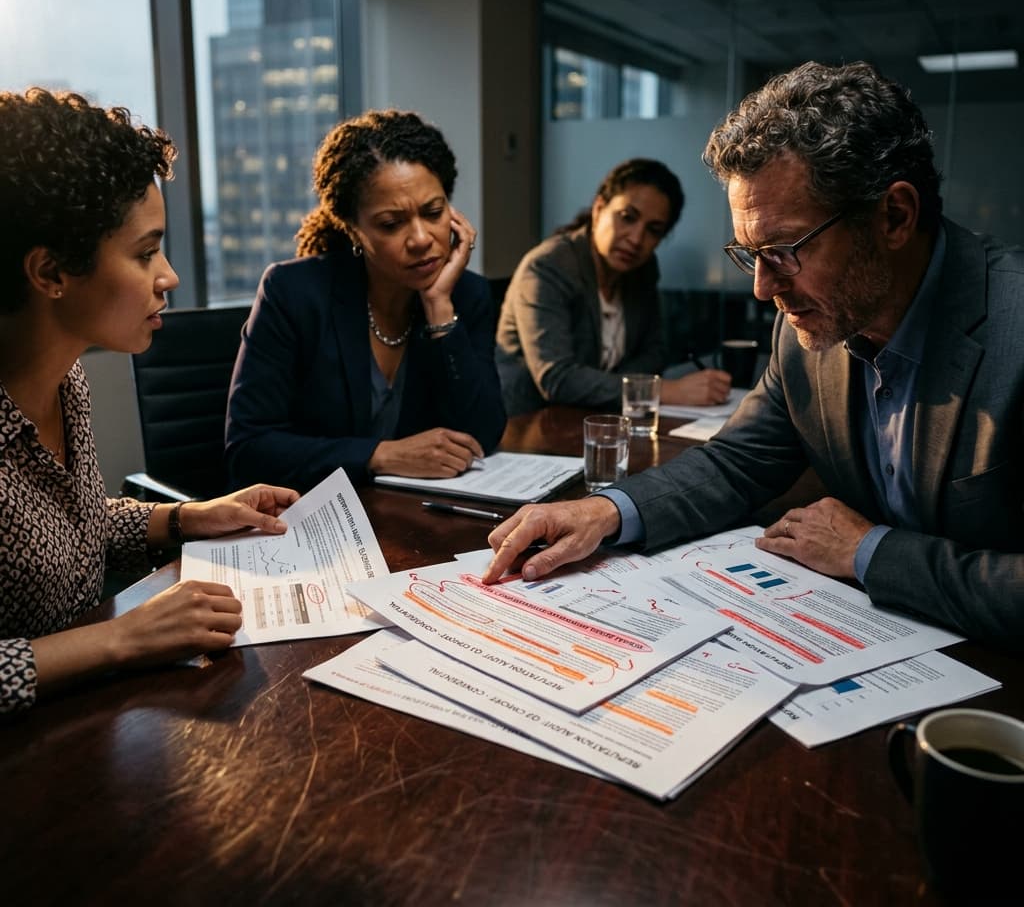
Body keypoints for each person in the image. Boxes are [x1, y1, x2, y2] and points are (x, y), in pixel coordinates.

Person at [482, 60, 1024, 648]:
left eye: (784, 250)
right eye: (750, 254)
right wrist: (606, 513)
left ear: (894, 216)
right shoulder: (808, 324)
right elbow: (736, 463)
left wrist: (870, 551)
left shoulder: (1011, 324)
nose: (763, 290)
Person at [0, 88, 300, 715]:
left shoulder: (65, 378)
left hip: (85, 726)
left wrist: (190, 517)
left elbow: (64, 533)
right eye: (144, 253)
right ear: (51, 272)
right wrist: (119, 638)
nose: (169, 276)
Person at [225, 109, 506, 493]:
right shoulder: (293, 292)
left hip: (414, 521)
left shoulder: (466, 295)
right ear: (353, 230)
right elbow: (248, 450)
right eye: (392, 224)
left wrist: (439, 307)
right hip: (313, 521)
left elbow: (482, 435)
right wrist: (382, 455)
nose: (422, 238)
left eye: (434, 212)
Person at [495, 158, 731, 416]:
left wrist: (604, 386)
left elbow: (654, 352)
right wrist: (659, 390)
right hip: (528, 424)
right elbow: (558, 379)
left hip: (601, 417)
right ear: (598, 209)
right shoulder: (548, 267)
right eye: (627, 218)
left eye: (653, 230)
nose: (636, 239)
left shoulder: (642, 269)